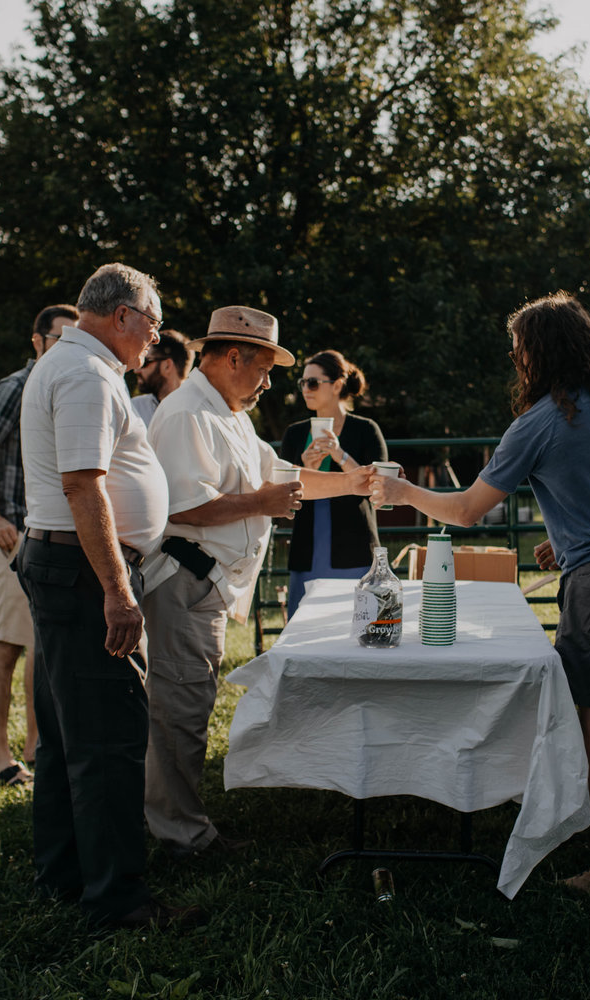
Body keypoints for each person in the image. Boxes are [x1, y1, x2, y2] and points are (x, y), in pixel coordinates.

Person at [369, 292, 590, 902]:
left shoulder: (539, 422)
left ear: (537, 354)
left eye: (519, 348)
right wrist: (573, 538)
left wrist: (403, 491)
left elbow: (469, 510)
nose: (515, 358)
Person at [142, 306, 373, 858]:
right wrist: (263, 504)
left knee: (189, 707)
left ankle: (179, 823)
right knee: (179, 713)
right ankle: (181, 836)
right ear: (232, 356)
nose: (271, 383)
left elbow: (286, 480)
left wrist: (355, 483)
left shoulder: (230, 414)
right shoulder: (186, 414)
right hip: (184, 580)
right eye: (265, 369)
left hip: (208, 585)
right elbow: (186, 506)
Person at [17, 263, 202, 931]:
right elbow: (83, 485)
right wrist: (119, 593)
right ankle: (119, 902)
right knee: (111, 742)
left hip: (63, 564)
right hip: (86, 572)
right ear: (121, 315)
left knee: (68, 737)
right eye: (151, 323)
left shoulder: (73, 365)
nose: (155, 338)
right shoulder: (88, 374)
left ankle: (64, 874)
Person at [0, 303, 77, 786]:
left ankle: (35, 746)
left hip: (44, 536)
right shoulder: (17, 386)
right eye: (57, 340)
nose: (63, 349)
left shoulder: (57, 384)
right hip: (15, 534)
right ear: (37, 341)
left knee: (39, 646)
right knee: (7, 644)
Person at [278, 349, 387, 619]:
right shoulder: (295, 434)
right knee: (303, 624)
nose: (306, 389)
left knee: (356, 624)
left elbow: (381, 486)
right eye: (302, 382)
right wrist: (305, 470)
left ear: (337, 385)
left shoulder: (365, 429)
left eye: (313, 382)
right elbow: (279, 492)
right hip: (307, 547)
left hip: (354, 546)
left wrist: (341, 455)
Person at [130, 329, 191, 427]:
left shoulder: (197, 413)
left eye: (145, 362)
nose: (136, 370)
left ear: (167, 366)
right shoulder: (133, 407)